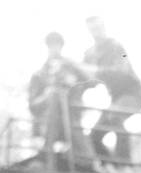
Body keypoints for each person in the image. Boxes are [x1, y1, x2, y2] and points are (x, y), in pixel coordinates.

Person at [83, 16, 141, 165]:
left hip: (133, 94)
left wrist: (97, 71)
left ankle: (125, 165)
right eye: (92, 29)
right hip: (116, 99)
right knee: (94, 134)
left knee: (115, 116)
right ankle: (110, 167)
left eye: (98, 28)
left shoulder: (118, 47)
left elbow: (122, 68)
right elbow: (84, 77)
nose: (96, 32)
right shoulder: (90, 53)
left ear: (103, 27)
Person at [27, 32, 93, 164]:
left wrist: (73, 81)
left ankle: (90, 161)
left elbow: (90, 82)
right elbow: (32, 105)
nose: (54, 49)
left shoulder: (71, 67)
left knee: (80, 141)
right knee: (54, 97)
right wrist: (47, 95)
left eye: (57, 45)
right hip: (46, 123)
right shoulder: (39, 75)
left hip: (71, 121)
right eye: (51, 45)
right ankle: (47, 153)